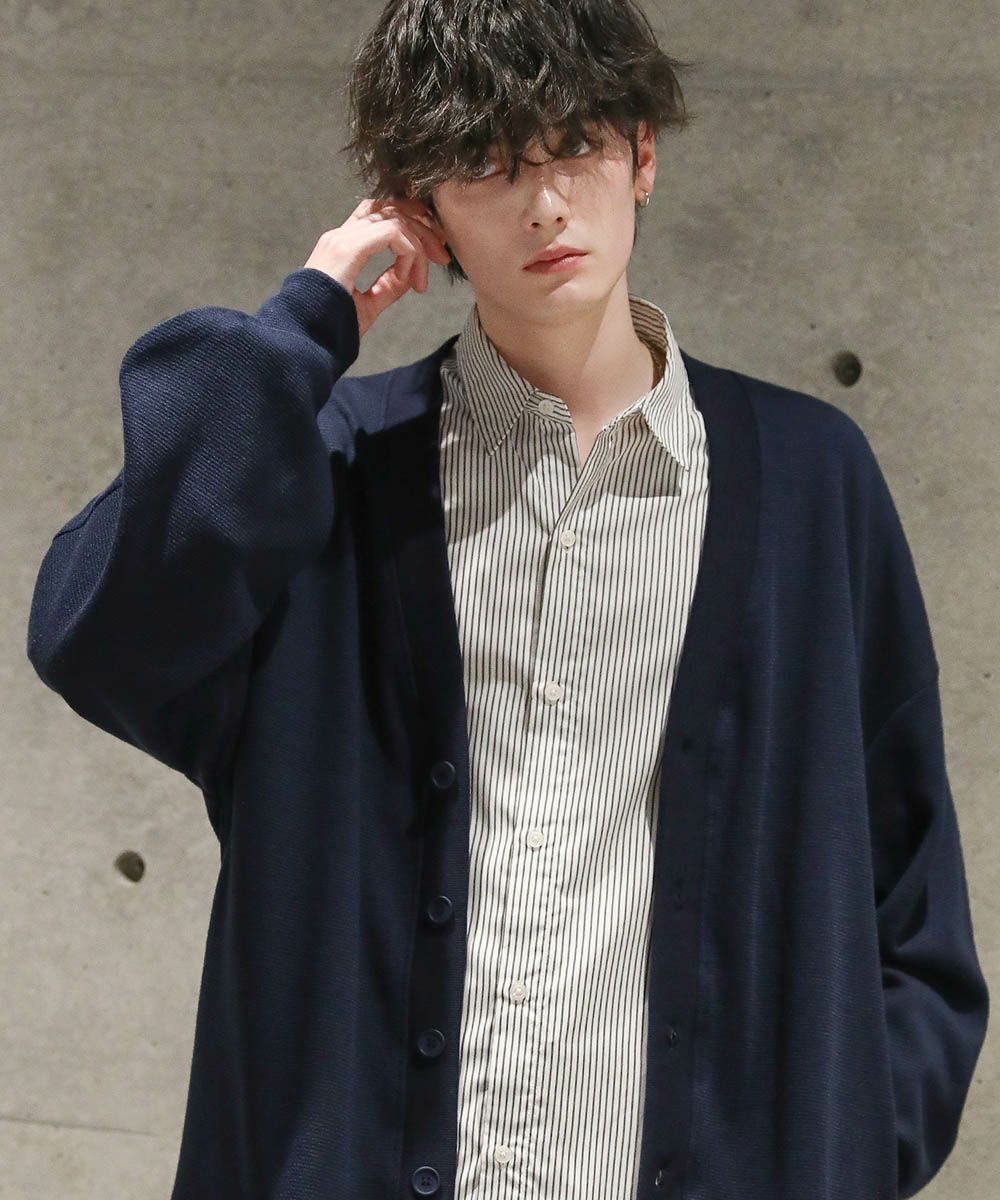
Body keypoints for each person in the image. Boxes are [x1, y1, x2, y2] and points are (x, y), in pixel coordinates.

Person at [25, 2, 987, 1199]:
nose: (542, 203)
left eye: (575, 144)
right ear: (421, 211)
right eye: (486, 163)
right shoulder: (334, 471)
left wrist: (845, 1152)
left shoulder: (807, 479)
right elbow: (94, 634)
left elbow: (908, 894)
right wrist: (301, 328)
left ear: (642, 155)